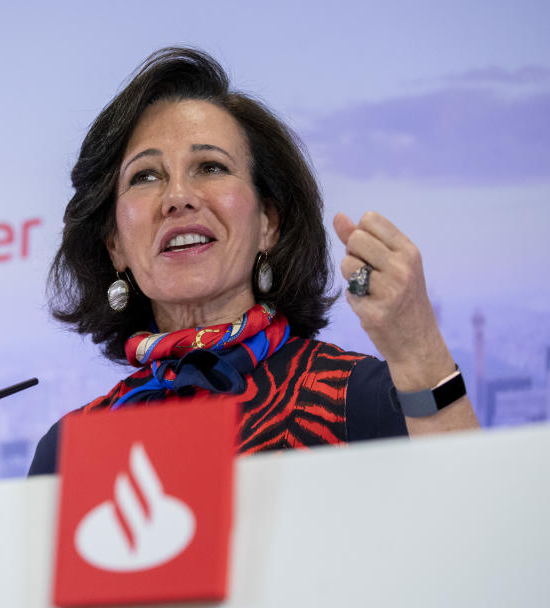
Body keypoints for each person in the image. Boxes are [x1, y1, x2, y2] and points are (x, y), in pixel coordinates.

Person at [28, 47, 479, 475]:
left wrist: (420, 352)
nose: (177, 198)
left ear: (269, 223)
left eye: (211, 167)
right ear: (115, 245)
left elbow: (475, 530)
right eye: (146, 176)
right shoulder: (68, 452)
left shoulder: (350, 397)